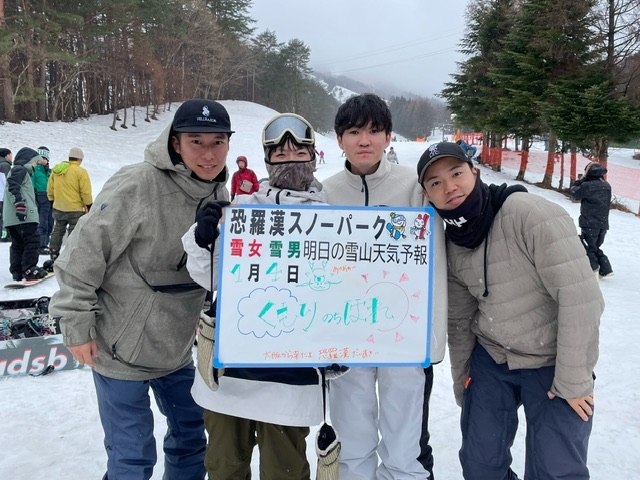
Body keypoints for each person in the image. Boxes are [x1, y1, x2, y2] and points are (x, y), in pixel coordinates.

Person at [49, 98, 235, 480]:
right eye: (196, 141)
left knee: (191, 441)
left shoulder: (219, 197)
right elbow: (82, 253)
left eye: (218, 141)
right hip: (118, 348)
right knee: (132, 458)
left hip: (178, 350)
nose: (208, 153)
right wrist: (75, 324)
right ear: (175, 143)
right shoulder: (138, 183)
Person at [417, 141, 602, 480]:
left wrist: (574, 381)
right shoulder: (453, 240)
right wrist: (464, 383)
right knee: (480, 465)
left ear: (475, 171)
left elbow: (581, 300)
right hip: (494, 357)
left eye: (455, 173)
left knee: (555, 468)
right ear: (428, 195)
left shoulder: (530, 214)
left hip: (552, 358)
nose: (449, 187)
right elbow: (459, 320)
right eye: (435, 183)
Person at [182, 112, 330, 479]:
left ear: (313, 156)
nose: (291, 162)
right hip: (230, 370)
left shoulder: (334, 220)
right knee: (223, 466)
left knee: (285, 471)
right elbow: (208, 276)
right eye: (280, 156)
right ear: (267, 162)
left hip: (291, 378)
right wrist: (203, 240)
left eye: (299, 154)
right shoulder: (245, 212)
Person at [321, 93, 448, 480]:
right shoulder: (324, 193)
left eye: (374, 131)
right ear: (339, 139)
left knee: (404, 439)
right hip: (347, 335)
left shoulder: (414, 187)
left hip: (402, 334)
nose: (365, 140)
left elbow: (438, 262)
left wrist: (431, 339)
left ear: (389, 137)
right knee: (352, 437)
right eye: (354, 131)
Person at [2, 147, 48, 281]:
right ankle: (29, 269)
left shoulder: (17, 171)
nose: (34, 165)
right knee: (32, 241)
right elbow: (12, 186)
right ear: (28, 160)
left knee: (18, 244)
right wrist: (20, 205)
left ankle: (17, 271)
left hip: (13, 217)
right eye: (34, 162)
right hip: (23, 215)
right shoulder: (20, 170)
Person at [47, 146, 93, 260]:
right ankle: (70, 255)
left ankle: (53, 251)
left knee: (58, 229)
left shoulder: (57, 170)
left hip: (58, 207)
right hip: (75, 209)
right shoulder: (81, 172)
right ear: (80, 159)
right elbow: (85, 192)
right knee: (74, 231)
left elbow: (50, 188)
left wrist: (52, 201)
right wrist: (89, 205)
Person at [570, 162, 613, 279]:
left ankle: (593, 270)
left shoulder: (587, 186)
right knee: (594, 247)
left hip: (589, 222)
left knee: (588, 246)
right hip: (603, 223)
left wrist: (581, 180)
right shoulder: (606, 185)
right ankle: (606, 269)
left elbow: (574, 193)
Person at [33, 146, 54, 254]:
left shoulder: (49, 172)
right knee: (43, 222)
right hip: (40, 197)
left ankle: (46, 242)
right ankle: (41, 245)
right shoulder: (35, 170)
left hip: (51, 198)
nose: (43, 160)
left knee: (50, 222)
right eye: (41, 158)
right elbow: (32, 184)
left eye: (45, 158)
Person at [0, 147, 13, 242]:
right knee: (5, 216)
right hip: (3, 196)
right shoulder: (5, 165)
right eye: (11, 154)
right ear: (7, 155)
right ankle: (4, 236)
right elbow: (8, 181)